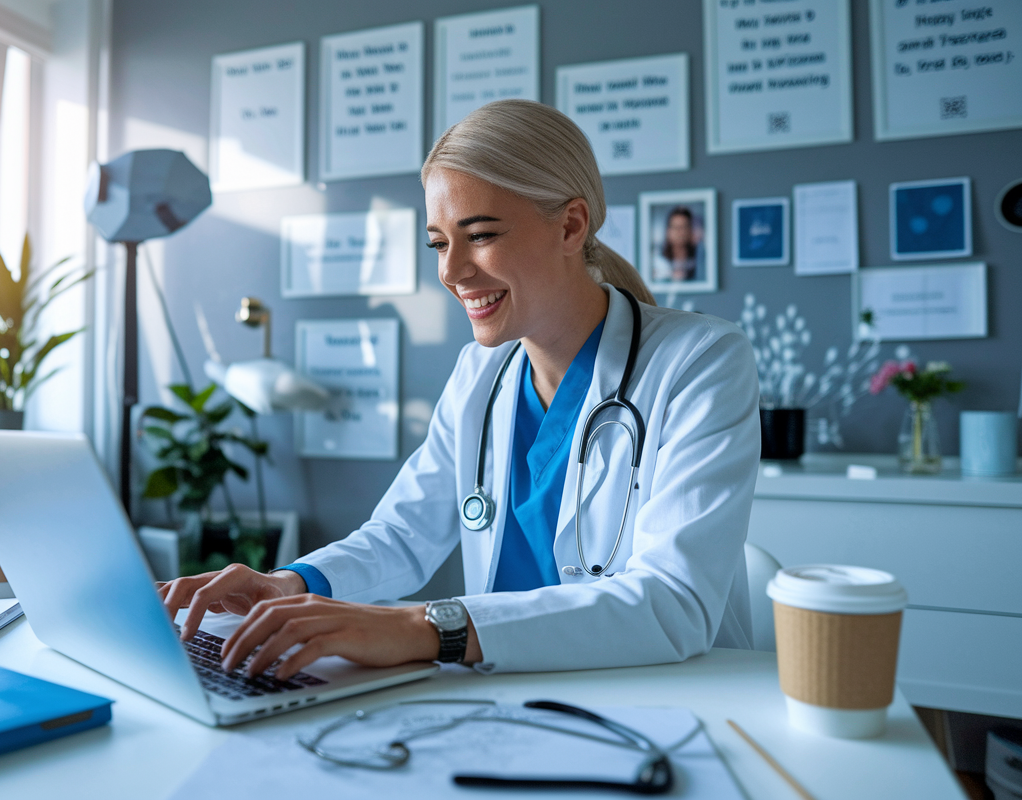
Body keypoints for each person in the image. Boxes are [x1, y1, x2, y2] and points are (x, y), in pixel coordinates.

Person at [158, 99, 759, 680]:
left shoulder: (699, 361)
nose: (451, 273)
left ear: (572, 225)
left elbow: (674, 602)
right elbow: (403, 533)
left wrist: (429, 629)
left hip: (670, 702)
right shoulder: (481, 374)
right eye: (440, 243)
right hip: (511, 693)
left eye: (480, 235)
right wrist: (291, 583)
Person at [652, 205, 699, 283]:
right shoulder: (658, 261)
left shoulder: (698, 261)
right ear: (668, 231)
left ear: (690, 230)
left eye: (683, 227)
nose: (679, 232)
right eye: (674, 227)